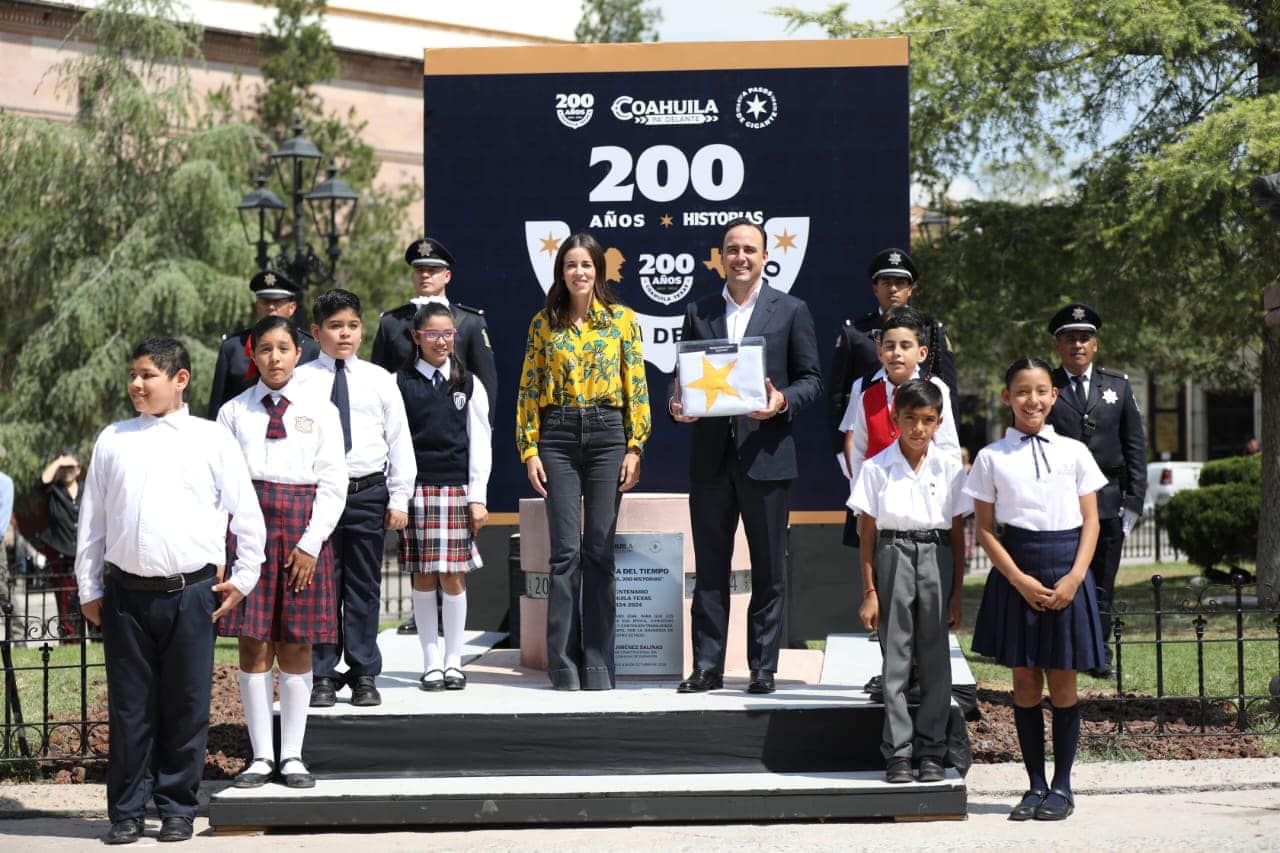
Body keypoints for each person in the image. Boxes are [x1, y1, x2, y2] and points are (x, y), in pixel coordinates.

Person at [75, 336, 266, 845]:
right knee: (130, 708)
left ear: (179, 379)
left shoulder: (211, 440)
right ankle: (127, 813)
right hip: (125, 596)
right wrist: (88, 587)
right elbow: (92, 521)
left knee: (185, 705)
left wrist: (244, 578)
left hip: (192, 593)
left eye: (147, 375)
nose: (136, 384)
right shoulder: (113, 439)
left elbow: (247, 516)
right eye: (133, 375)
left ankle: (178, 807)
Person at [670, 218, 822, 695]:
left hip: (768, 456)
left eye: (749, 250)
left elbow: (811, 380)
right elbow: (683, 379)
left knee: (769, 567)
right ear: (721, 257)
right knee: (710, 568)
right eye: (732, 249)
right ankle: (708, 666)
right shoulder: (698, 310)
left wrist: (781, 402)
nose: (740, 257)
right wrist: (678, 406)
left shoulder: (791, 310)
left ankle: (762, 667)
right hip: (711, 459)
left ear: (764, 256)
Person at [966, 357, 1108, 822]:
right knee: (1025, 681)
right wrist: (1018, 579)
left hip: (1068, 567)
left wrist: (1074, 578)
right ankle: (1034, 786)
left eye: (1042, 390)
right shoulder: (990, 457)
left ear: (1054, 396)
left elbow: (1091, 521)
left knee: (1063, 681)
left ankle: (1063, 787)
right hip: (1018, 571)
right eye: (1022, 391)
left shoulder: (1075, 453)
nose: (1033, 400)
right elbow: (986, 529)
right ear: (1007, 397)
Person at [216, 316, 347, 789]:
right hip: (247, 529)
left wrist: (311, 544)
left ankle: (291, 755)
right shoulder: (234, 412)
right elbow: (221, 486)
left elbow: (334, 483)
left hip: (301, 530)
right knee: (252, 642)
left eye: (284, 348)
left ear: (299, 353)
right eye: (265, 349)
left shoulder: (321, 410)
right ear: (253, 354)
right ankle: (260, 756)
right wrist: (221, 547)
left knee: (295, 642)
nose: (275, 358)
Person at [516, 232, 650, 691]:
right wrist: (529, 448)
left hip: (608, 435)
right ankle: (563, 664)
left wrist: (635, 445)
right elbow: (528, 389)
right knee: (565, 554)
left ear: (599, 270)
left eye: (587, 265)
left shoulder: (622, 321)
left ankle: (598, 663)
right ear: (561, 272)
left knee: (598, 550)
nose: (579, 272)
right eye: (571, 265)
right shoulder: (543, 324)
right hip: (556, 437)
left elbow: (637, 383)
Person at [295, 289, 415, 708]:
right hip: (318, 498)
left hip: (367, 493)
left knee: (364, 587)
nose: (344, 334)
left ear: (361, 329)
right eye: (334, 326)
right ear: (316, 331)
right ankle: (322, 673)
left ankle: (364, 671)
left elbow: (399, 442)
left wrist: (399, 498)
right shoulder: (301, 380)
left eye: (351, 326)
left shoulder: (379, 380)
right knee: (322, 586)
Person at [848, 379, 970, 783]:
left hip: (936, 555)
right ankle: (899, 753)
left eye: (928, 420)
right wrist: (870, 592)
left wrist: (956, 593)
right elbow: (867, 535)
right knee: (895, 659)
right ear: (896, 420)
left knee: (936, 660)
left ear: (938, 423)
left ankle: (932, 750)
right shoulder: (876, 468)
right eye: (911, 419)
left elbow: (957, 535)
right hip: (893, 554)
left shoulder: (950, 470)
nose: (919, 428)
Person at [372, 237, 496, 636]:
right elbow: (381, 387)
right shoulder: (392, 323)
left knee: (453, 568)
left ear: (447, 275)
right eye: (419, 269)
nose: (425, 275)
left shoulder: (469, 321)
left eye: (432, 270)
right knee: (421, 567)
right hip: (410, 454)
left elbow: (485, 389)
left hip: (454, 451)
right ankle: (425, 628)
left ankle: (451, 643)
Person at [1045, 303, 1147, 680]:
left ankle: (1097, 652)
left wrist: (1134, 500)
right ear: (1058, 346)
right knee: (1064, 575)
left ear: (1096, 345)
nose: (1077, 345)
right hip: (1061, 500)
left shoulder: (1117, 386)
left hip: (1107, 499)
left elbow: (1134, 444)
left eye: (1084, 338)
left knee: (1103, 579)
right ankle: (1063, 646)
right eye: (1069, 338)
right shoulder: (1045, 386)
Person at [396, 302, 492, 690]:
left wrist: (477, 496)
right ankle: (430, 660)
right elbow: (395, 443)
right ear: (417, 337)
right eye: (433, 334)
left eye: (447, 333)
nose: (441, 341)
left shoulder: (467, 383)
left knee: (453, 576)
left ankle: (454, 661)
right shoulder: (398, 383)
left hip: (456, 490)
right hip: (417, 490)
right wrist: (398, 497)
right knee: (423, 576)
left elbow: (480, 441)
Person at [827, 247, 957, 473]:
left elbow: (947, 397)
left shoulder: (932, 330)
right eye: (887, 282)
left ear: (912, 288)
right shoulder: (855, 333)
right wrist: (845, 460)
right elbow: (838, 397)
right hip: (873, 458)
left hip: (925, 463)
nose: (894, 288)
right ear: (875, 288)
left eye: (901, 282)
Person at [839, 307, 961, 491]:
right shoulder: (867, 395)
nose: (896, 353)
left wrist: (949, 496)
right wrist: (861, 496)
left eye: (905, 346)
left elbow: (948, 448)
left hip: (925, 493)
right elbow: (859, 451)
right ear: (880, 353)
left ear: (922, 353)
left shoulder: (936, 389)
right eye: (889, 346)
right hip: (879, 495)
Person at [207, 269, 320, 415]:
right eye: (266, 302)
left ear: (292, 308)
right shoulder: (233, 347)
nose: (271, 307)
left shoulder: (312, 349)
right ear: (257, 306)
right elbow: (218, 404)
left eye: (278, 302)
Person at [39, 451, 82, 639]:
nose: (66, 471)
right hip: (61, 552)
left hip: (84, 553)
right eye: (62, 469)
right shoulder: (53, 490)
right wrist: (58, 461)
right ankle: (70, 639)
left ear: (78, 470)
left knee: (91, 596)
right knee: (65, 599)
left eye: (70, 467)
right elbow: (43, 481)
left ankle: (95, 638)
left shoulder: (87, 489)